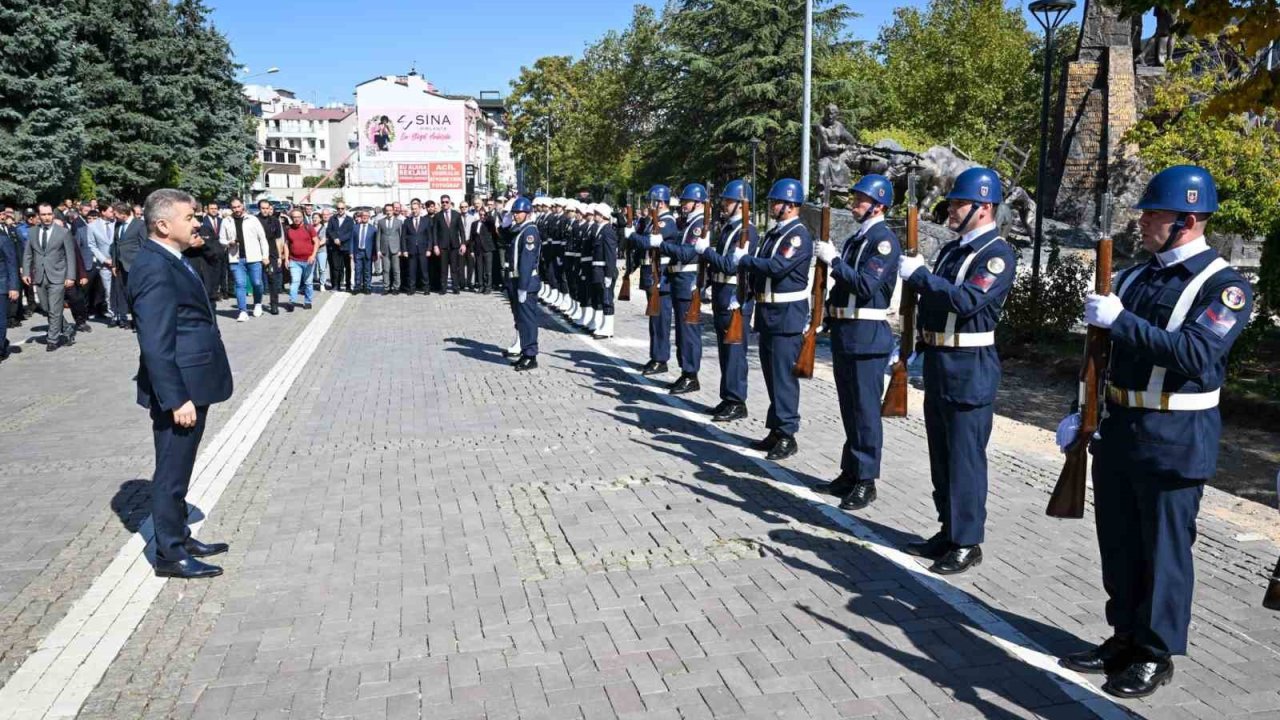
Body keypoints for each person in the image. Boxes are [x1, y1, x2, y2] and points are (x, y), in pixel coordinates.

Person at [1057, 166, 1253, 698]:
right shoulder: (1135, 276)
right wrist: (1081, 409)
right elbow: (1099, 356)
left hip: (1175, 434)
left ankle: (1155, 652)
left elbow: (1195, 352)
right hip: (1120, 427)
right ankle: (1122, 637)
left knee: (1164, 551)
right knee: (1119, 544)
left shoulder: (1225, 286)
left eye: (1153, 214)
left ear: (1186, 221)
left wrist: (1120, 321)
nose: (1142, 221)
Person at [896, 167, 1016, 575]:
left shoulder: (997, 254)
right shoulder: (952, 251)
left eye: (959, 203)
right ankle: (948, 529)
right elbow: (933, 305)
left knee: (965, 459)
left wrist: (922, 277)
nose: (951, 208)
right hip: (940, 363)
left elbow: (966, 302)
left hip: (971, 368)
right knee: (941, 456)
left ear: (984, 209)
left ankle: (967, 541)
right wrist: (917, 347)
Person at [129, 189, 233, 579]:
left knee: (181, 466)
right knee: (171, 471)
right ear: (162, 224)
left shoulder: (173, 258)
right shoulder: (154, 266)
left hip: (193, 380)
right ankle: (169, 553)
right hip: (181, 389)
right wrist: (176, 399)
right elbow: (155, 342)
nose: (197, 223)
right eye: (190, 217)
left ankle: (179, 535)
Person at [703, 179, 812, 461]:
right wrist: (745, 291)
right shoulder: (775, 234)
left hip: (786, 317)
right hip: (769, 315)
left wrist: (744, 261)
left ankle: (788, 434)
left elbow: (777, 268)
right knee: (773, 377)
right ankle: (776, 429)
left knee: (784, 378)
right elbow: (762, 271)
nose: (772, 206)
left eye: (776, 202)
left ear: (790, 205)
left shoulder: (797, 235)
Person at [812, 174, 902, 510]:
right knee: (849, 408)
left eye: (861, 200)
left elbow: (864, 285)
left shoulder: (883, 241)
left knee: (865, 412)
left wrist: (833, 261)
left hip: (867, 336)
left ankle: (866, 480)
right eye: (855, 199)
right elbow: (840, 288)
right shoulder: (855, 240)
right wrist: (825, 316)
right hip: (846, 333)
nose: (854, 204)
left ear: (878, 205)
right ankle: (850, 471)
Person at [698, 180, 759, 423]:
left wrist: (706, 251)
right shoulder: (729, 229)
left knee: (735, 351)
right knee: (725, 350)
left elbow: (730, 266)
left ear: (742, 205)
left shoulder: (748, 231)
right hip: (722, 294)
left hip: (736, 297)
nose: (724, 204)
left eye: (729, 201)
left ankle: (737, 401)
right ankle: (727, 397)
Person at [653, 183, 708, 394]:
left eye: (686, 201)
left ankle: (691, 374)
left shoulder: (698, 225)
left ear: (697, 203)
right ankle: (685, 372)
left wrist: (661, 244)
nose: (683, 204)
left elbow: (686, 253)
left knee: (688, 331)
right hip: (679, 280)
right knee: (682, 332)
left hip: (688, 281)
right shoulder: (688, 224)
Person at [634, 185, 678, 376]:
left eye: (652, 201)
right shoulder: (655, 220)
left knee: (661, 320)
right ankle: (655, 356)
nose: (649, 205)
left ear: (660, 202)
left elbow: (648, 241)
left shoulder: (666, 222)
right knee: (654, 319)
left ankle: (661, 359)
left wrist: (632, 236)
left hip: (661, 275)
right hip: (651, 273)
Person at [22, 204, 78, 351]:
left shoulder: (63, 232)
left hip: (58, 275)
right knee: (47, 308)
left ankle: (52, 339)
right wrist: (26, 272)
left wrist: (71, 276)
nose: (47, 217)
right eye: (43, 214)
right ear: (38, 216)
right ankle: (67, 329)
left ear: (53, 215)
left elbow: (70, 256)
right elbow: (28, 254)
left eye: (49, 214)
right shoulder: (33, 232)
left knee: (54, 308)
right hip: (40, 276)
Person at [218, 198, 269, 322]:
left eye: (238, 206)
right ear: (231, 208)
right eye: (234, 207)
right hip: (236, 258)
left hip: (254, 257)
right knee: (240, 285)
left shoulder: (252, 219)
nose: (236, 209)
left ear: (243, 206)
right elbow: (221, 239)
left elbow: (262, 238)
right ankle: (243, 311)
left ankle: (257, 303)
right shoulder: (226, 221)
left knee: (257, 283)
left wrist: (265, 256)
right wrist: (228, 243)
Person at [506, 197, 541, 371]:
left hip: (525, 282)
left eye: (518, 212)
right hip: (516, 280)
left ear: (527, 213)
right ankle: (524, 351)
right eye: (514, 213)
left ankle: (530, 355)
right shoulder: (519, 229)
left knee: (527, 320)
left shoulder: (529, 232)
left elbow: (527, 261)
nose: (515, 216)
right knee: (520, 319)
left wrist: (522, 287)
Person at [114, 201, 147, 329]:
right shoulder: (118, 225)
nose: (114, 216)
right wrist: (114, 263)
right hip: (121, 266)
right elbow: (116, 244)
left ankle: (140, 321)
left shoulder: (139, 225)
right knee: (126, 294)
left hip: (135, 265)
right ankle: (132, 320)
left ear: (123, 214)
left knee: (138, 294)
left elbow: (144, 245)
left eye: (116, 214)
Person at [283, 209, 318, 309]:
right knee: (295, 281)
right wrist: (286, 259)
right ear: (291, 218)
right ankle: (292, 301)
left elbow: (317, 242)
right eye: (294, 217)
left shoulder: (309, 227)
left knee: (308, 282)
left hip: (308, 261)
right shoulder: (288, 229)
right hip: (294, 261)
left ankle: (308, 301)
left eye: (298, 217)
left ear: (302, 217)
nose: (296, 219)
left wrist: (313, 255)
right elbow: (286, 245)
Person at [257, 200, 287, 314]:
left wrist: (279, 256)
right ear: (259, 208)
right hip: (257, 254)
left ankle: (274, 305)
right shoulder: (255, 220)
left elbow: (278, 239)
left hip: (272, 254)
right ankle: (257, 304)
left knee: (272, 279)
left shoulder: (274, 221)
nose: (265, 210)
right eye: (262, 208)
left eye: (267, 208)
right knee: (257, 280)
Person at [433, 194, 466, 294]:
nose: (444, 204)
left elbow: (462, 230)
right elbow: (435, 232)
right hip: (442, 246)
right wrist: (435, 245)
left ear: (450, 202)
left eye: (446, 202)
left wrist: (463, 244)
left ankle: (455, 287)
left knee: (454, 268)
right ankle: (443, 288)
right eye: (443, 202)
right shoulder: (437, 216)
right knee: (443, 269)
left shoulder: (456, 214)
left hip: (454, 246)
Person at [403, 199, 431, 295]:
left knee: (424, 271)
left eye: (416, 209)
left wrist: (429, 249)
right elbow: (403, 237)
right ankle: (412, 289)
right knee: (412, 271)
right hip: (411, 250)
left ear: (420, 209)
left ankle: (426, 288)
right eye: (412, 209)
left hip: (423, 250)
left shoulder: (426, 221)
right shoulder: (407, 221)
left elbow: (429, 237)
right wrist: (405, 250)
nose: (414, 211)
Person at [327, 202, 354, 292]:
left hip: (346, 246)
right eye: (338, 208)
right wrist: (335, 238)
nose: (340, 210)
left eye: (342, 208)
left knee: (347, 267)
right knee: (336, 267)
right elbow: (329, 230)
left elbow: (350, 232)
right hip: (335, 247)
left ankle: (348, 286)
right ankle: (336, 285)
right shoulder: (332, 219)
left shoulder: (349, 220)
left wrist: (340, 239)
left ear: (345, 208)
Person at [376, 203, 403, 295]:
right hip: (384, 250)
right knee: (386, 270)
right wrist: (378, 250)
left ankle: (396, 287)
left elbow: (401, 236)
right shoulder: (381, 222)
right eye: (387, 210)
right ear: (385, 211)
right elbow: (378, 236)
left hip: (396, 249)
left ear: (393, 210)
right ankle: (386, 287)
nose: (388, 212)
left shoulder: (398, 222)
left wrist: (401, 250)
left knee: (396, 270)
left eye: (390, 210)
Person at [0, 214, 16, 361]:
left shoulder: (3, 239)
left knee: (0, 320)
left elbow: (11, 263)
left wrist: (14, 287)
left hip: (2, 285)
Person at [350, 210, 378, 294]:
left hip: (368, 252)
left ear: (369, 217)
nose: (365, 217)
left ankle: (367, 287)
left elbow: (374, 243)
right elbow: (352, 240)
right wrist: (351, 252)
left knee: (367, 271)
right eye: (363, 215)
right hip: (357, 252)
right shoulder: (355, 227)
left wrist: (374, 254)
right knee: (357, 270)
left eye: (367, 216)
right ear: (360, 217)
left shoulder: (373, 229)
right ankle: (357, 287)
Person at [470, 208, 496, 294]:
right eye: (480, 215)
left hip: (488, 248)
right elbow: (472, 238)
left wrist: (487, 215)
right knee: (479, 269)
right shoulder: (474, 224)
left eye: (483, 215)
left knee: (488, 270)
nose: (482, 216)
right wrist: (472, 250)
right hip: (478, 249)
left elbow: (492, 221)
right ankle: (481, 286)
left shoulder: (488, 223)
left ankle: (488, 287)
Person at [314, 209, 331, 292]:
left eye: (316, 218)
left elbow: (324, 240)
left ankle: (322, 284)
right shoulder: (310, 227)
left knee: (322, 268)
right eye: (313, 218)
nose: (315, 219)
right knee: (311, 268)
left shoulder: (324, 228)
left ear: (320, 219)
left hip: (321, 250)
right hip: (312, 251)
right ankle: (309, 284)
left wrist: (315, 246)